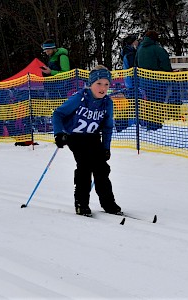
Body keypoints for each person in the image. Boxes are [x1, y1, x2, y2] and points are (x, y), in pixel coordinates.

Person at [52, 65, 122, 217]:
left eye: (106, 84)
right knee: (85, 167)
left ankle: (108, 203)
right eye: (99, 84)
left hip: (93, 137)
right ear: (91, 84)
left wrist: (106, 148)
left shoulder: (107, 103)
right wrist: (59, 133)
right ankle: (81, 203)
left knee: (101, 169)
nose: (103, 88)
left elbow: (108, 127)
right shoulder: (80, 97)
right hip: (75, 137)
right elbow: (58, 114)